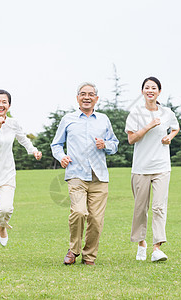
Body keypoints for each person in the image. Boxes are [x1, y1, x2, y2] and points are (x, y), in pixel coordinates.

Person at [51, 82, 119, 266]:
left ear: (96, 98)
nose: (86, 97)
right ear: (77, 98)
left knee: (96, 220)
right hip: (76, 175)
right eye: (83, 94)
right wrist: (62, 156)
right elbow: (56, 144)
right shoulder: (68, 119)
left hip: (99, 177)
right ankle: (74, 249)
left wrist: (105, 144)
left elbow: (115, 144)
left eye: (90, 94)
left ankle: (89, 255)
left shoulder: (104, 119)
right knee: (79, 212)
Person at [0, 89, 42, 265]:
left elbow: (23, 139)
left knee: (5, 209)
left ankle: (2, 226)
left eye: (4, 102)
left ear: (9, 106)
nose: (1, 105)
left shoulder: (13, 123)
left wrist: (34, 151)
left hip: (6, 174)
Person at [125, 77, 180, 262]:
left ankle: (157, 248)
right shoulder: (136, 113)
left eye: (154, 88)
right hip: (141, 168)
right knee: (140, 208)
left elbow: (176, 128)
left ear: (159, 91)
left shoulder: (167, 112)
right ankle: (142, 244)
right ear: (142, 92)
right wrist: (149, 126)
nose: (150, 90)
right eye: (147, 88)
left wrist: (169, 137)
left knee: (159, 207)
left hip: (162, 167)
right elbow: (131, 139)